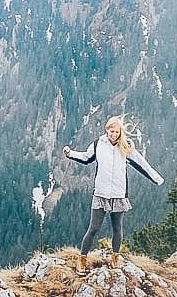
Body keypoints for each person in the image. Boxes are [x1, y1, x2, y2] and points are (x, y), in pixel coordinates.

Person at [63, 115, 164, 273]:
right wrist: (70, 153)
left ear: (120, 132)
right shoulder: (98, 144)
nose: (114, 134)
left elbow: (141, 164)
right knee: (94, 228)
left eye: (117, 132)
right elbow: (86, 157)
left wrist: (156, 178)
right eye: (111, 131)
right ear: (107, 130)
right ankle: (82, 259)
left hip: (118, 193)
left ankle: (115, 258)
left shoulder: (126, 146)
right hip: (101, 193)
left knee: (117, 228)